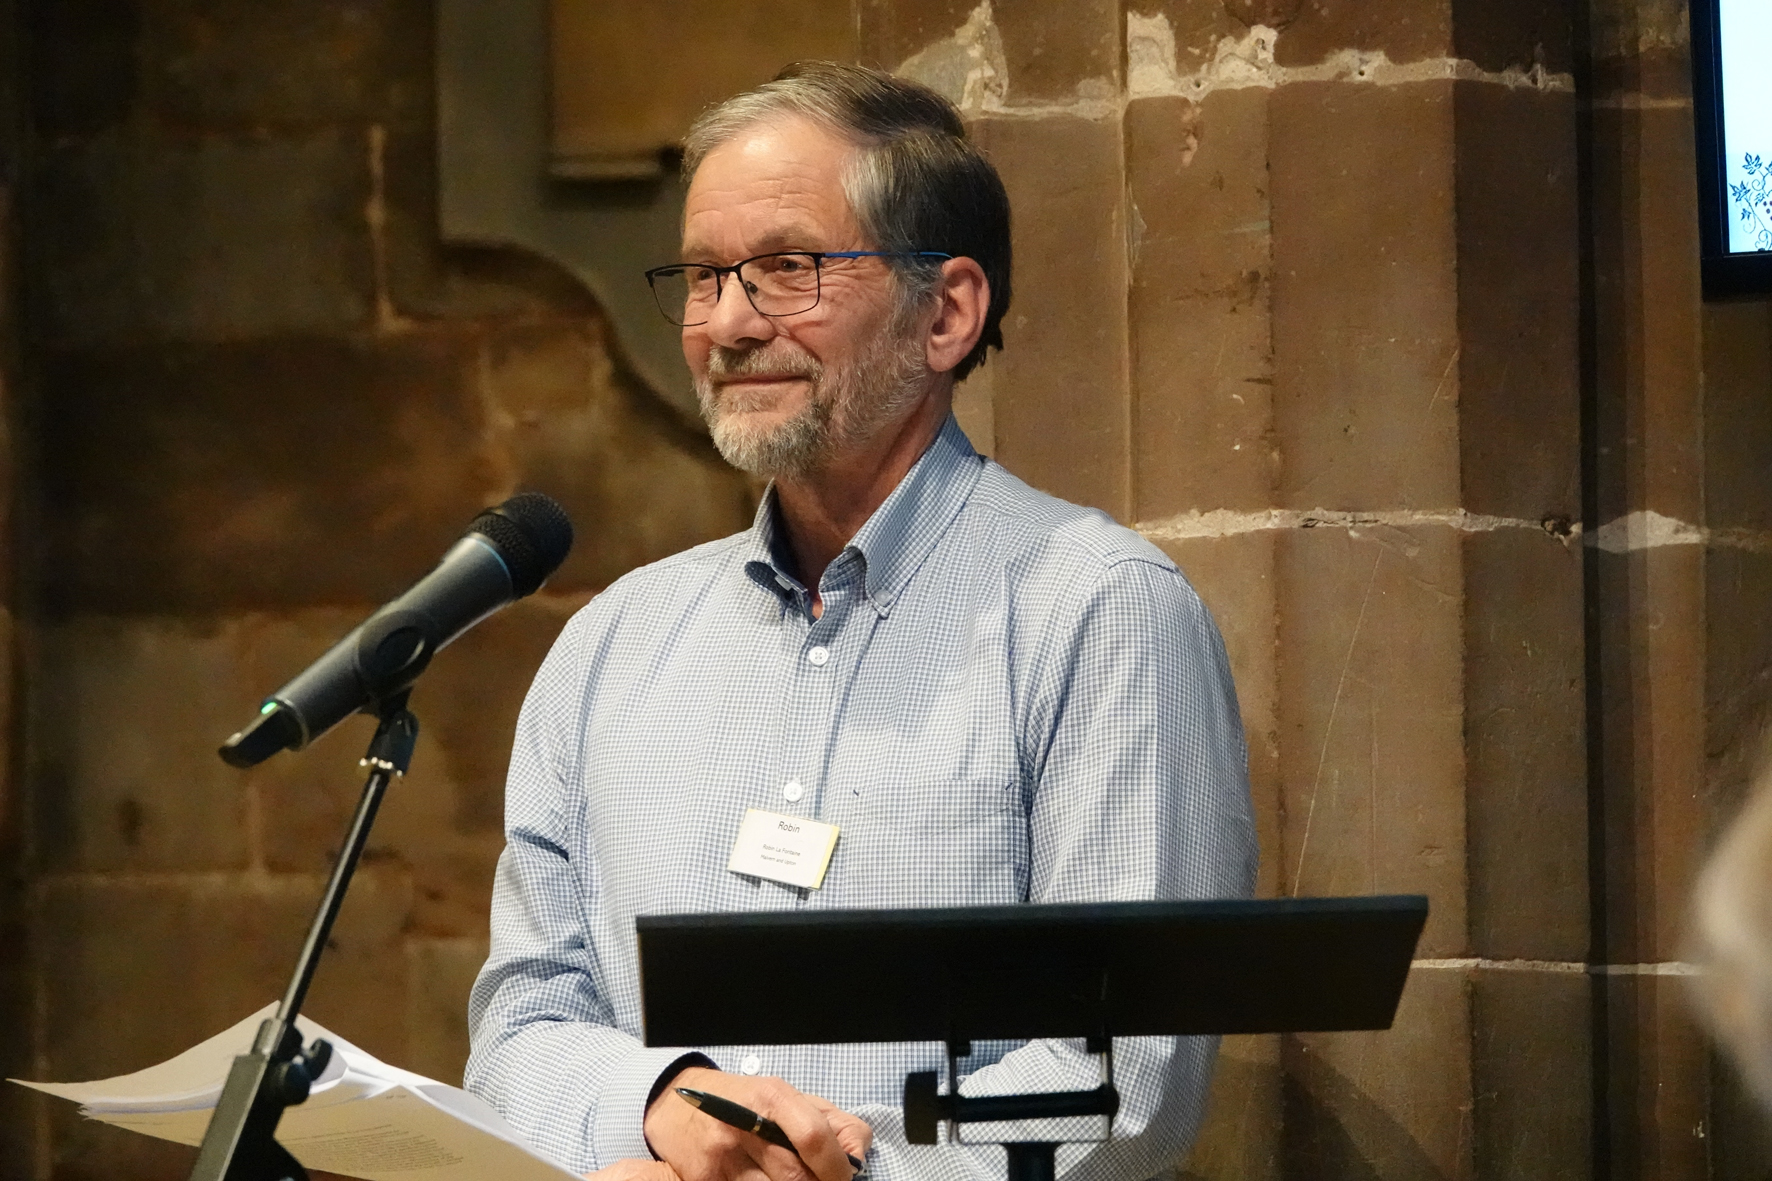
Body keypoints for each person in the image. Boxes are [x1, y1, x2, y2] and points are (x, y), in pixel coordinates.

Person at [465, 61, 1258, 1181]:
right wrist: (659, 1106)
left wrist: (850, 1171)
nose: (728, 322)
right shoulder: (610, 644)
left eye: (787, 269)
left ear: (944, 312)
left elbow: (1126, 1070)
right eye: (701, 276)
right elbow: (520, 1023)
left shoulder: (1097, 609)